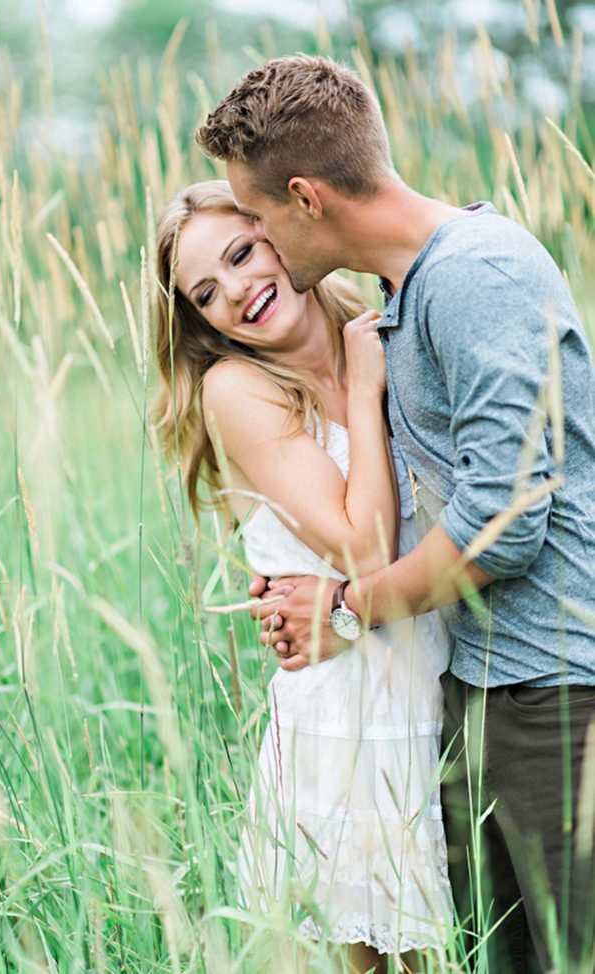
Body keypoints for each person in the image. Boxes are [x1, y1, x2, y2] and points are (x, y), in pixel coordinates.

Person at [195, 56, 595, 973]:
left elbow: (505, 523)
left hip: (561, 699)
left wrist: (342, 608)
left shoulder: (476, 278)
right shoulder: (404, 298)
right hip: (487, 695)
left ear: (305, 198)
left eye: (252, 223)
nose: (253, 246)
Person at [154, 180, 453, 972]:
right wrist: (362, 389)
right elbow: (366, 553)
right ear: (200, 321)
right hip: (350, 727)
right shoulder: (240, 389)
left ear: (284, 230)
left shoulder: (387, 319)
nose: (241, 292)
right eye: (207, 294)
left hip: (443, 691)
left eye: (244, 253)